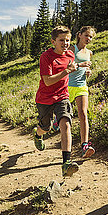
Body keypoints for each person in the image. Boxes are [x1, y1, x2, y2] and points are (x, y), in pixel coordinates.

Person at [33, 26, 81, 177]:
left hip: (62, 96)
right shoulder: (46, 57)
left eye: (68, 40)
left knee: (66, 123)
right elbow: (47, 81)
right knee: (45, 128)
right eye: (61, 40)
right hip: (45, 98)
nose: (65, 43)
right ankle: (38, 134)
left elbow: (71, 70)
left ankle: (66, 163)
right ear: (53, 41)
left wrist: (83, 70)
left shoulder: (71, 55)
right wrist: (67, 71)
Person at [68, 26, 96, 158]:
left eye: (91, 37)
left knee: (83, 114)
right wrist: (80, 65)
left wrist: (88, 72)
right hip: (67, 85)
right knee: (65, 115)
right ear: (79, 35)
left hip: (81, 85)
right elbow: (65, 67)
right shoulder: (72, 49)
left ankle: (84, 145)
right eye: (86, 35)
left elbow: (87, 70)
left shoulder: (89, 53)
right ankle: (56, 121)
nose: (89, 39)